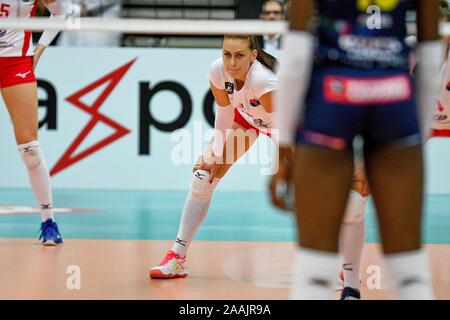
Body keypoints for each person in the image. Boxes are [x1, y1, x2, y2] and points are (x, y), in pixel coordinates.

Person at [270, 0, 441, 299]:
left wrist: (285, 145)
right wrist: (416, 131)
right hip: (394, 96)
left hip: (332, 98)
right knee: (410, 274)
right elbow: (429, 48)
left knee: (313, 275)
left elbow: (296, 51)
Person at [149, 35, 279, 279]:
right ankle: (177, 258)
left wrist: (287, 167)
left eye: (239, 55)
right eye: (226, 54)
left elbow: (287, 125)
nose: (231, 62)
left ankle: (342, 271)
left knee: (328, 194)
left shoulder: (263, 80)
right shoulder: (218, 71)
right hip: (247, 120)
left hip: (285, 125)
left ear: (253, 55)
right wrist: (216, 151)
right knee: (202, 177)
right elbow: (224, 110)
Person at [0, 0, 65, 245]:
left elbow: (62, 12)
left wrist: (41, 47)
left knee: (30, 150)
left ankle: (48, 221)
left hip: (15, 63)